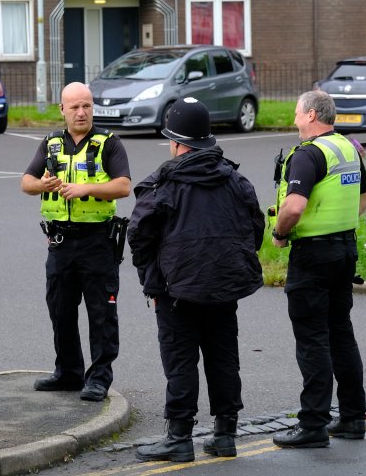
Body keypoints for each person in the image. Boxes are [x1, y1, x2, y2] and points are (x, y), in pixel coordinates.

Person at [128, 98, 265, 463]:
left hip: (177, 290)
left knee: (180, 360)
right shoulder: (236, 180)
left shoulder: (164, 184)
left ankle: (179, 438)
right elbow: (256, 230)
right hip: (224, 288)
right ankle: (225, 434)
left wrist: (152, 283)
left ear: (175, 143)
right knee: (223, 357)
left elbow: (139, 236)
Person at [270, 90, 366, 448]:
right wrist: (338, 225)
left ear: (311, 115)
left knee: (312, 340)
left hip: (312, 256)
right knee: (340, 333)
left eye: (297, 112)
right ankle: (353, 418)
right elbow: (365, 199)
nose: (294, 117)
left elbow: (294, 207)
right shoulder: (346, 148)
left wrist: (280, 233)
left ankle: (313, 424)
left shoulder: (308, 154)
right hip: (344, 251)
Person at [20, 82, 131, 402]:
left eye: (87, 106)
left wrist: (86, 189)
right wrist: (41, 183)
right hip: (60, 242)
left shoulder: (108, 143)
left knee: (101, 313)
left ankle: (98, 378)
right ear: (62, 110)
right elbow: (25, 182)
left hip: (97, 241)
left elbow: (124, 186)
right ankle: (68, 372)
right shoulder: (51, 142)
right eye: (75, 107)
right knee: (61, 309)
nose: (81, 112)